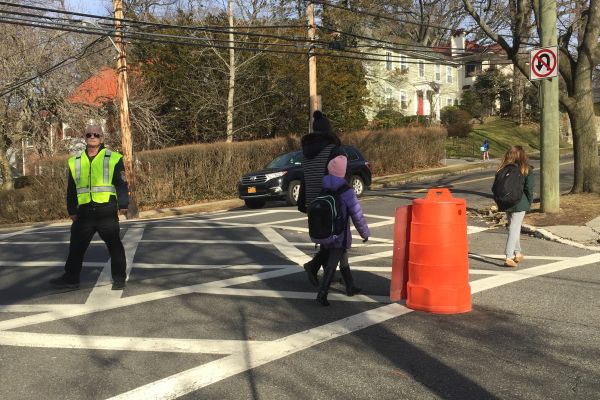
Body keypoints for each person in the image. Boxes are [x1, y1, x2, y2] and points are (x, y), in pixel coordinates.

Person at [50, 125, 130, 290]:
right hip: (84, 211)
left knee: (114, 245)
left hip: (106, 209)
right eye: (89, 134)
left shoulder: (113, 157)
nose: (92, 137)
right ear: (84, 138)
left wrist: (123, 203)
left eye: (96, 134)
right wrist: (71, 209)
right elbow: (71, 188)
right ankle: (71, 277)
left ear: (102, 138)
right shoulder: (75, 161)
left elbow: (121, 183)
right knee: (76, 246)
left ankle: (119, 278)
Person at [316, 155, 370, 306]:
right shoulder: (346, 191)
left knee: (343, 258)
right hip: (340, 234)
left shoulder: (324, 187)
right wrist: (365, 233)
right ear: (343, 171)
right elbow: (357, 215)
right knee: (333, 262)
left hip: (327, 231)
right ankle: (322, 292)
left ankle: (350, 286)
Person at [298, 111, 343, 287]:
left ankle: (326, 274)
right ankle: (314, 266)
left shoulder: (305, 153)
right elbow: (337, 178)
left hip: (312, 203)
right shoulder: (333, 150)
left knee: (325, 240)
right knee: (335, 241)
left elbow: (304, 178)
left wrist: (303, 202)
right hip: (329, 202)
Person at [498, 145, 533, 268]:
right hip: (520, 202)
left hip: (506, 202)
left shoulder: (502, 169)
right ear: (522, 156)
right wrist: (529, 202)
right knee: (514, 228)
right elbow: (529, 188)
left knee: (514, 227)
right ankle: (508, 256)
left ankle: (517, 253)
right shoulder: (525, 168)